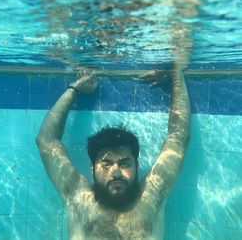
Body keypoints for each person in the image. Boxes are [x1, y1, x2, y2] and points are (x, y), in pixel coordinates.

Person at [36, 69, 190, 240]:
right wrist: (74, 90)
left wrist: (176, 74)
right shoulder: (78, 196)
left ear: (136, 166)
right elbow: (46, 141)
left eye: (124, 163)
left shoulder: (151, 195)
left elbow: (179, 137)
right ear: (92, 168)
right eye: (107, 164)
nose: (116, 172)